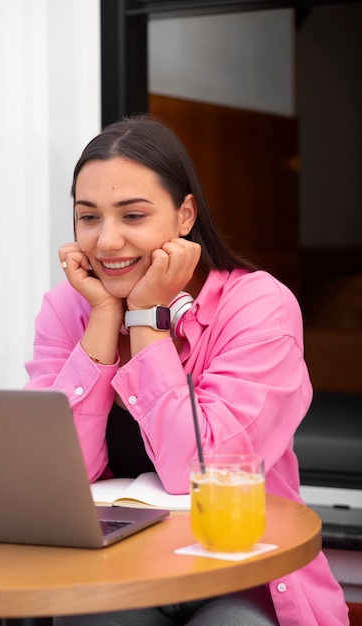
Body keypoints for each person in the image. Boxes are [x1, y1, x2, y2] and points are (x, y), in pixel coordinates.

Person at [25, 114, 349, 625]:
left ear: (184, 215)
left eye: (132, 216)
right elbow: (52, 479)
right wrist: (106, 320)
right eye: (89, 217)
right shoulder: (69, 309)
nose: (107, 241)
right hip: (114, 569)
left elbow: (201, 472)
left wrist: (147, 320)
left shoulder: (259, 305)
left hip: (238, 568)